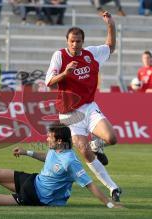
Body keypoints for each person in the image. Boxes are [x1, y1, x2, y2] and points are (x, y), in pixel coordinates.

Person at [0, 124, 122, 208]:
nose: (46, 138)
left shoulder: (70, 161)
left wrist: (110, 204)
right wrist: (27, 152)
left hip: (35, 196)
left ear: (60, 141)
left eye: (50, 137)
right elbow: (47, 158)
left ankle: (15, 197)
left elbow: (90, 185)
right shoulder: (57, 151)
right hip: (33, 180)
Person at [45, 11, 122, 201]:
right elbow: (49, 82)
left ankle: (97, 144)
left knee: (111, 138)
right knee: (84, 151)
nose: (75, 44)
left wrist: (110, 24)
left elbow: (110, 47)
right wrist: (65, 73)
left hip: (88, 107)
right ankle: (113, 188)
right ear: (67, 41)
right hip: (69, 114)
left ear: (82, 42)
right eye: (72, 41)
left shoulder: (91, 54)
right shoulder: (59, 56)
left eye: (78, 41)